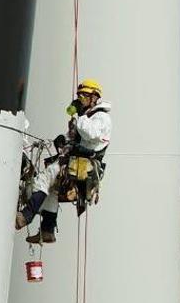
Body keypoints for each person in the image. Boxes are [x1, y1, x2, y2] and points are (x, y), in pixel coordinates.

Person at [15, 78, 112, 243]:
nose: (80, 98)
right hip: (74, 160)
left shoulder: (101, 117)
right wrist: (63, 139)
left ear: (94, 97)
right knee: (52, 191)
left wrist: (80, 114)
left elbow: (90, 133)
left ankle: (25, 216)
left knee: (42, 181)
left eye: (84, 95)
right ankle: (47, 230)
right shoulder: (87, 116)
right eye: (79, 95)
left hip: (83, 163)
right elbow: (76, 136)